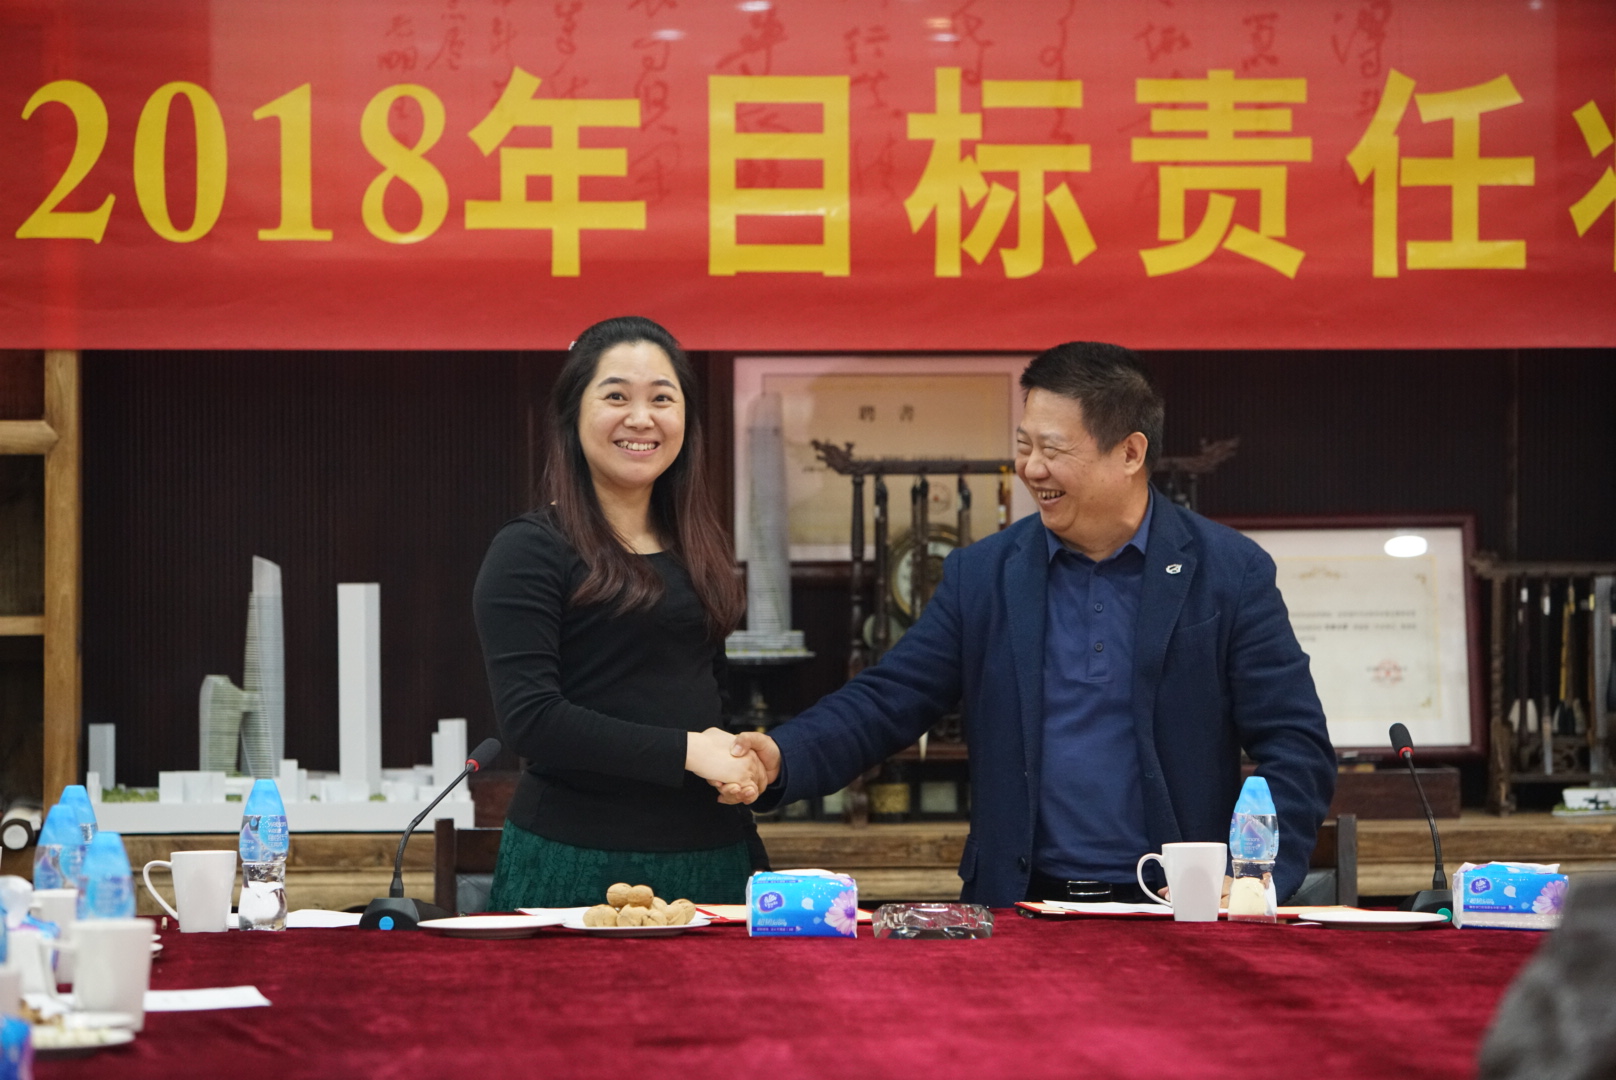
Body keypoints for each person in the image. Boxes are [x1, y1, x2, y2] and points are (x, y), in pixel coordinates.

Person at [723, 342, 1336, 907]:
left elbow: (1294, 743)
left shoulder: (1228, 572)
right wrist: (782, 755)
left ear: (1130, 452)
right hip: (1020, 908)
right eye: (1024, 445)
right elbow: (889, 699)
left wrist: (1253, 877)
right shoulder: (984, 575)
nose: (1030, 468)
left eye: (1054, 449)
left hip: (1178, 906)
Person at [473, 315, 767, 908]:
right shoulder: (530, 548)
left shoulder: (699, 547)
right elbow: (531, 719)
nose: (641, 419)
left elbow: (708, 698)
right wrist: (689, 751)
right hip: (574, 858)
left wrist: (740, 762)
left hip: (715, 852)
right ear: (572, 413)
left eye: (662, 398)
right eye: (615, 397)